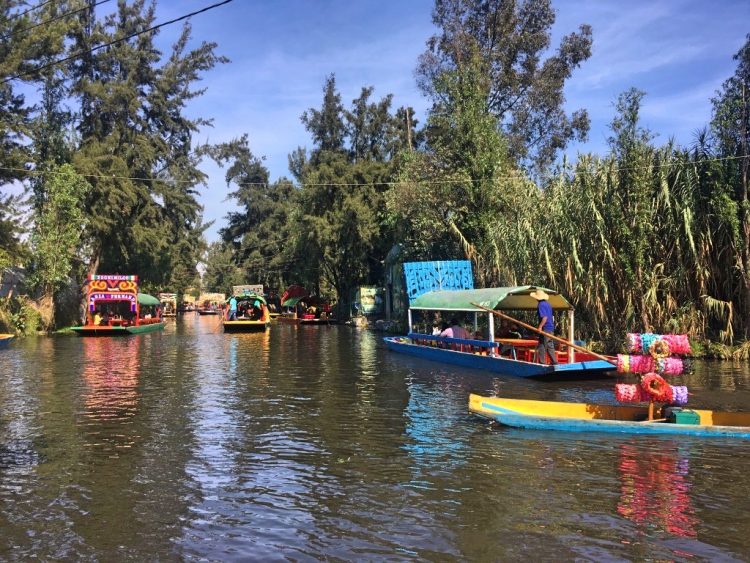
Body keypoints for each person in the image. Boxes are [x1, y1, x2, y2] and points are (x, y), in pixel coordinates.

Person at [530, 289, 557, 365]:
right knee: (549, 345)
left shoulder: (541, 305)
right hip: (550, 328)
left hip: (546, 328)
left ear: (537, 298)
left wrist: (540, 327)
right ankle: (554, 362)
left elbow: (544, 317)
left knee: (542, 345)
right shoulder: (548, 304)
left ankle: (542, 363)